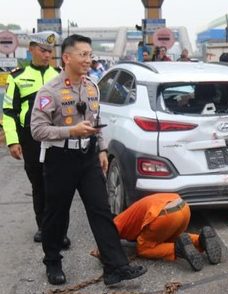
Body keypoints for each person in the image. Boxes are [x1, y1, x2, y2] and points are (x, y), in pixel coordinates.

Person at [30, 34, 146, 286]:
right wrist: (71, 131)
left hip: (89, 156)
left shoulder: (92, 86)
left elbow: (96, 122)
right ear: (67, 57)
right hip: (60, 158)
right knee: (56, 214)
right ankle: (52, 261)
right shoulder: (49, 91)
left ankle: (115, 267)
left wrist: (102, 149)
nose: (88, 59)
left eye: (90, 55)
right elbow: (37, 130)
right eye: (83, 54)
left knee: (101, 210)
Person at [2, 32, 71, 248]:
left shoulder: (59, 75)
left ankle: (59, 230)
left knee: (57, 184)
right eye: (43, 50)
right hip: (30, 139)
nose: (47, 55)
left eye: (50, 51)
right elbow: (9, 112)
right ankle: (44, 227)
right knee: (39, 184)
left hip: (56, 137)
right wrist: (13, 141)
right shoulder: (17, 77)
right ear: (31, 49)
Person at [95, 193, 222, 272]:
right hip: (183, 207)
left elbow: (108, 238)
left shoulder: (116, 222)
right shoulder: (130, 215)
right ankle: (201, 240)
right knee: (168, 239)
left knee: (143, 248)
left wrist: (101, 251)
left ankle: (177, 249)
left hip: (164, 214)